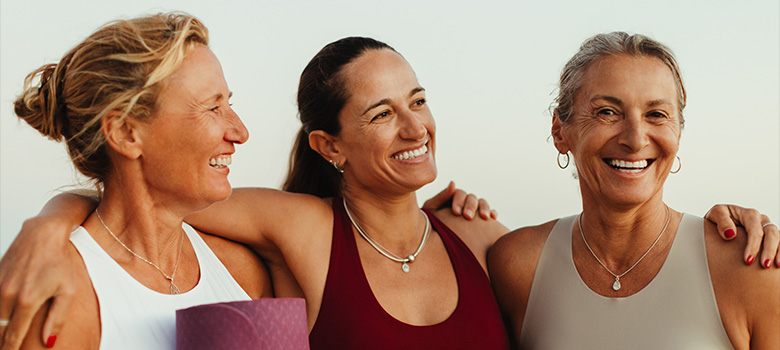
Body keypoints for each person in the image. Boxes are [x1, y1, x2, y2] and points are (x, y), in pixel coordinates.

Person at [0, 35, 775, 350]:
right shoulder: (300, 229)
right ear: (328, 147)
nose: (415, 126)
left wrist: (722, 223)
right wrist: (51, 220)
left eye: (418, 98)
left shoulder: (485, 243)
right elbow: (149, 190)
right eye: (381, 113)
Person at [488, 32, 780, 349]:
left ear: (678, 132)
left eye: (656, 114)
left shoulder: (749, 268)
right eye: (607, 112)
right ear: (560, 131)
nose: (635, 139)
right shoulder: (516, 265)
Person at [4, 13, 275, 349]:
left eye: (229, 103)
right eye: (212, 108)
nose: (240, 132)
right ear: (126, 133)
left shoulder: (244, 274)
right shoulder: (62, 294)